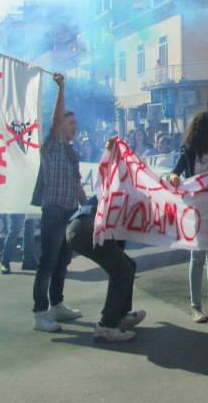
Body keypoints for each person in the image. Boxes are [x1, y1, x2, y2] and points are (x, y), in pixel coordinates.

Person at [67, 140, 145, 343]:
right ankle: (107, 326)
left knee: (127, 266)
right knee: (122, 270)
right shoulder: (121, 187)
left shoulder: (121, 185)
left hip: (80, 226)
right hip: (85, 229)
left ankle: (120, 315)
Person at [32, 73, 86, 333]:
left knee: (63, 260)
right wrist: (61, 89)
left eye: (75, 122)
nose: (74, 126)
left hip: (69, 212)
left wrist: (87, 210)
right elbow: (55, 119)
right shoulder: (52, 145)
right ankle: (40, 313)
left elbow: (77, 186)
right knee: (48, 262)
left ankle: (57, 305)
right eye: (70, 122)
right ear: (60, 125)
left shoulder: (71, 151)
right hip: (53, 211)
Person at [168, 111, 208, 323]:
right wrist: (175, 176)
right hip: (197, 208)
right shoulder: (189, 149)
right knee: (198, 257)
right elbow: (175, 171)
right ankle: (196, 306)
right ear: (207, 127)